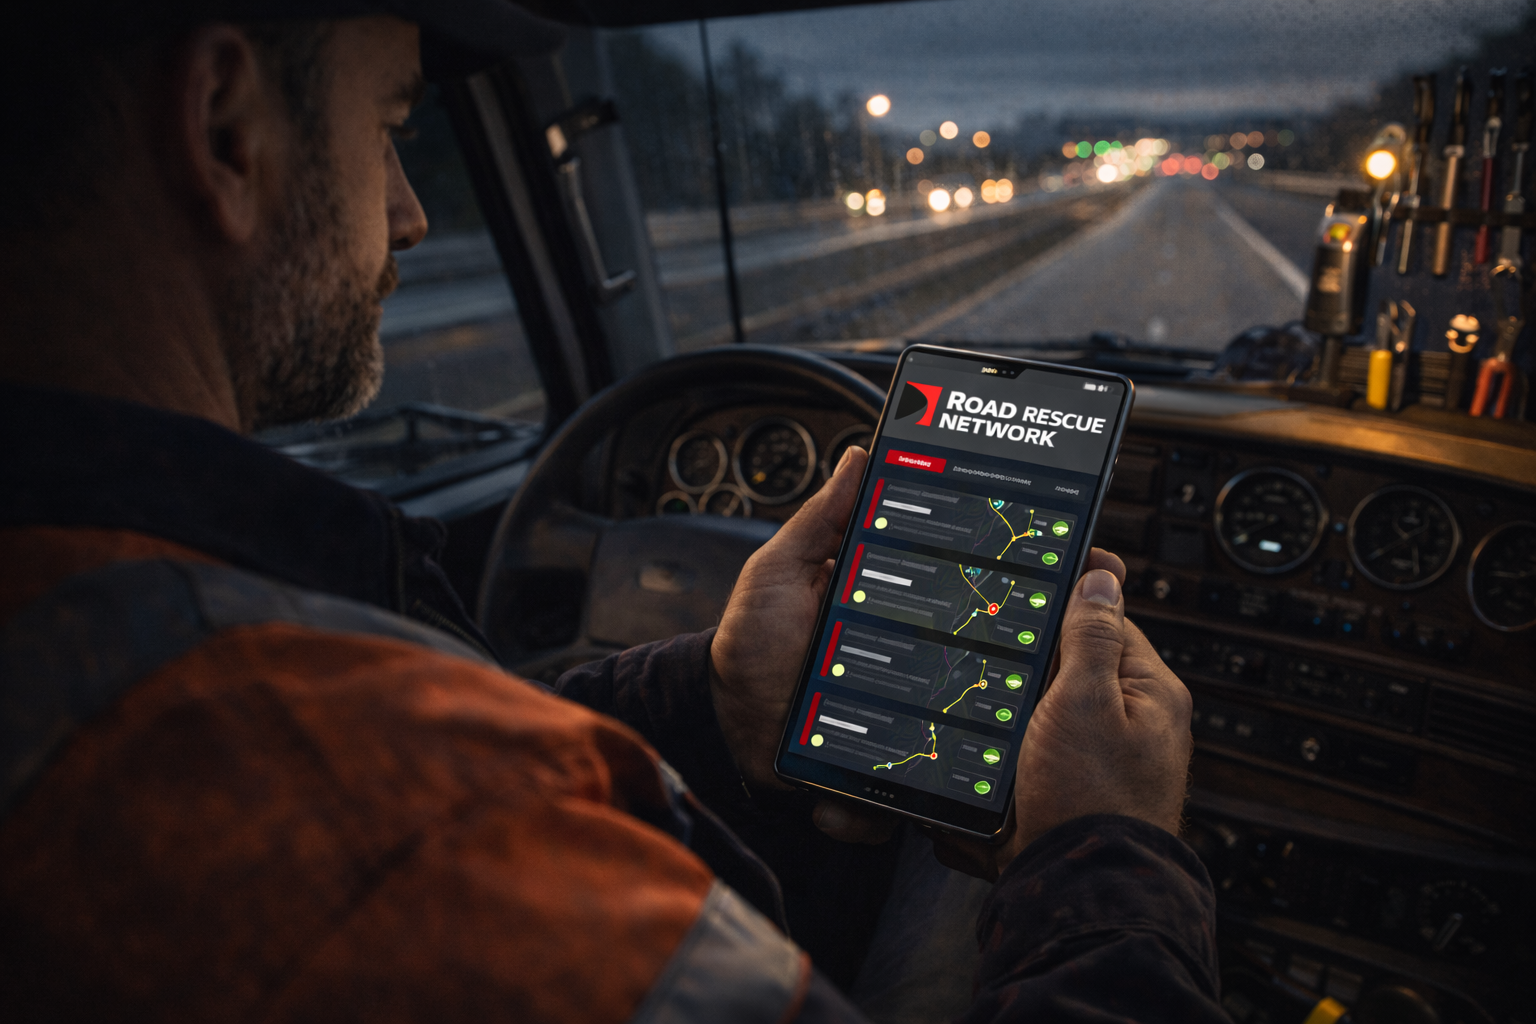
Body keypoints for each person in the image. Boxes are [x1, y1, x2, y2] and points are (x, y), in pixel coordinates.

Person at [0, 2, 1224, 1020]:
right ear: (225, 126)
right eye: (388, 129)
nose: (411, 211)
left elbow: (465, 748)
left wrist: (713, 700)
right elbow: (443, 793)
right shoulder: (414, 832)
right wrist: (1106, 864)